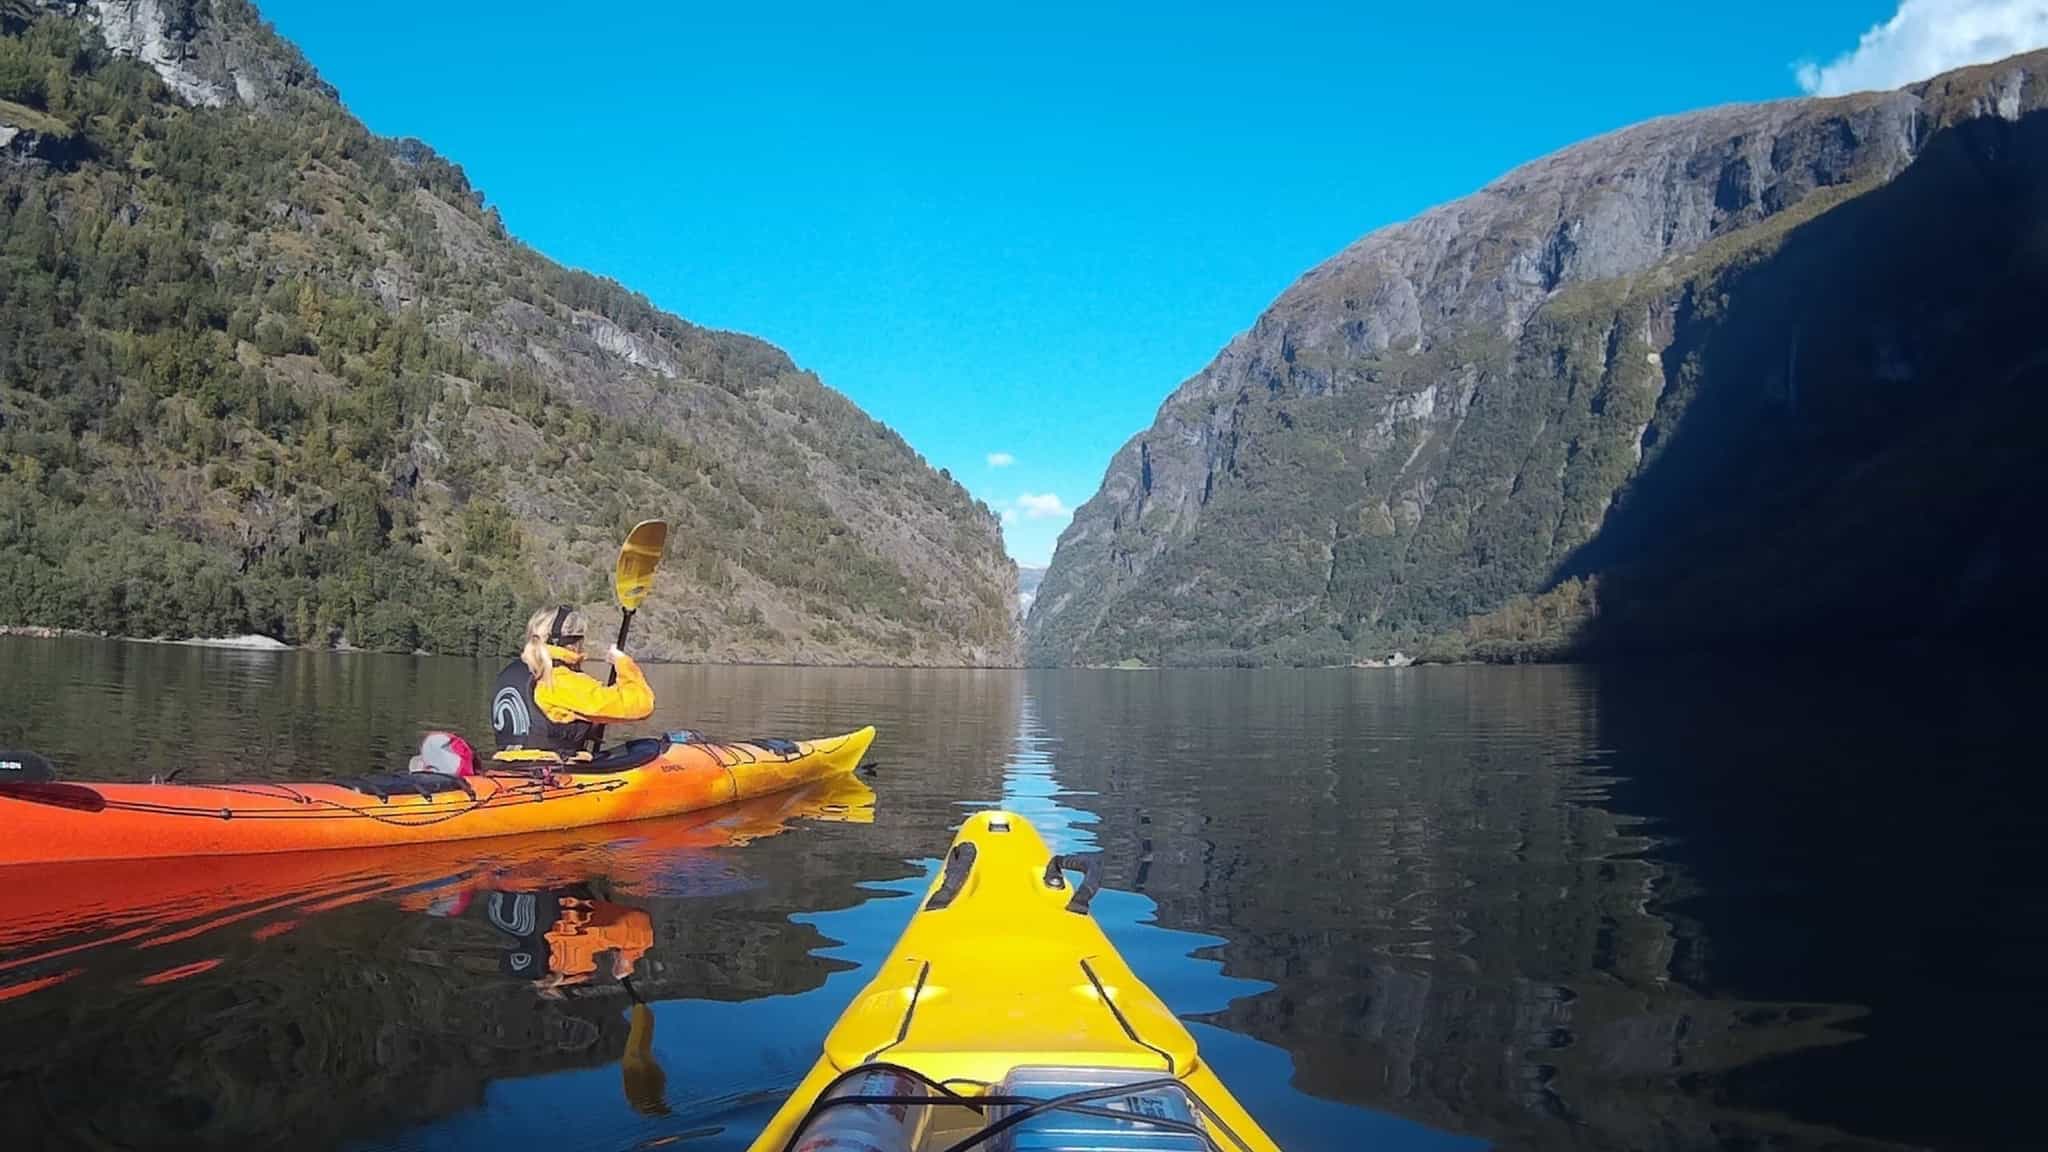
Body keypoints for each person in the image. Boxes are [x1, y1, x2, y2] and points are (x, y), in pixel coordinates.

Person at [491, 605, 655, 765]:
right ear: (572, 644)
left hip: (509, 765)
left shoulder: (511, 672)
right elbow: (641, 704)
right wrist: (623, 663)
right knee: (650, 748)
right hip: (551, 771)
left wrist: (585, 727)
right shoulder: (559, 679)